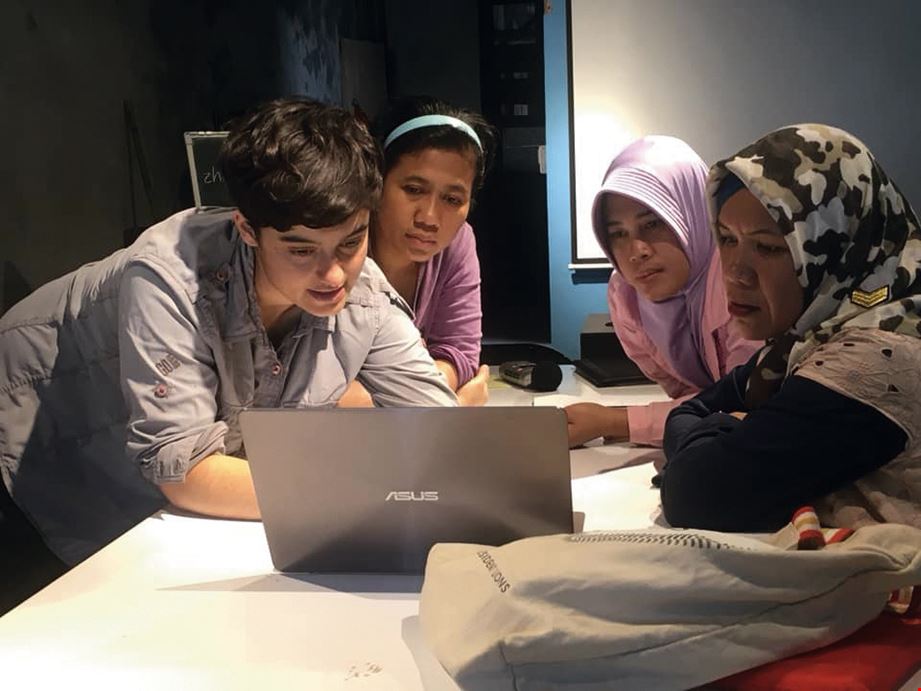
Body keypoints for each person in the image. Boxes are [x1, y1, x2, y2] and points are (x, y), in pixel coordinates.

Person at [0, 97, 456, 610]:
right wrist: (370, 493)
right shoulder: (171, 278)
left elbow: (447, 434)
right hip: (30, 434)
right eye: (301, 250)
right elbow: (187, 470)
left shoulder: (364, 292)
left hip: (139, 483)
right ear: (246, 228)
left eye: (350, 243)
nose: (333, 274)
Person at [661, 123, 921, 533]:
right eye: (726, 239)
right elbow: (688, 411)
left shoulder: (876, 360)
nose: (735, 273)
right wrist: (730, 429)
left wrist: (729, 427)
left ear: (841, 247)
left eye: (767, 247)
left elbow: (693, 494)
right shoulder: (802, 342)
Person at [565, 136, 760, 448]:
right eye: (618, 233)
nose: (636, 251)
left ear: (693, 212)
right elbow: (689, 399)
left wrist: (614, 422)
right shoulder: (627, 296)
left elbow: (747, 409)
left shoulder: (742, 283)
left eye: (654, 223)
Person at [339, 97, 496, 407]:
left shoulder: (457, 243)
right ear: (378, 181)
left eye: (452, 199)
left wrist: (426, 400)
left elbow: (458, 353)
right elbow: (315, 387)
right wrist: (451, 405)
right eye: (413, 189)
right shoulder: (338, 242)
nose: (429, 218)